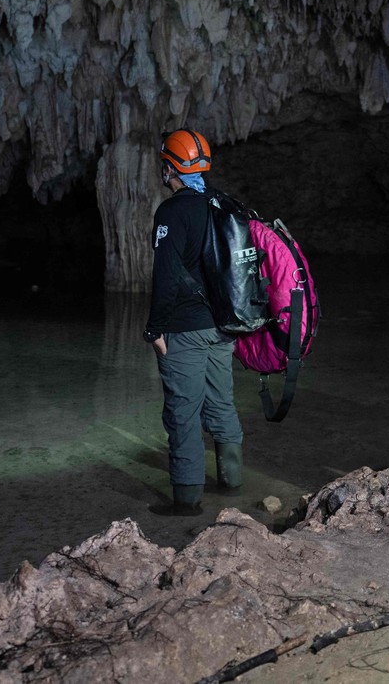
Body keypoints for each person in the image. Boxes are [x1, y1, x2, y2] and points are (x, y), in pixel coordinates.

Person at [142, 128, 245, 517]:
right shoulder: (221, 203)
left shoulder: (172, 211)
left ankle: (187, 502)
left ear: (171, 167)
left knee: (183, 411)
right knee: (221, 403)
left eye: (163, 164)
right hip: (223, 326)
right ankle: (232, 486)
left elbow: (166, 277)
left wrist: (154, 330)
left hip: (185, 328)